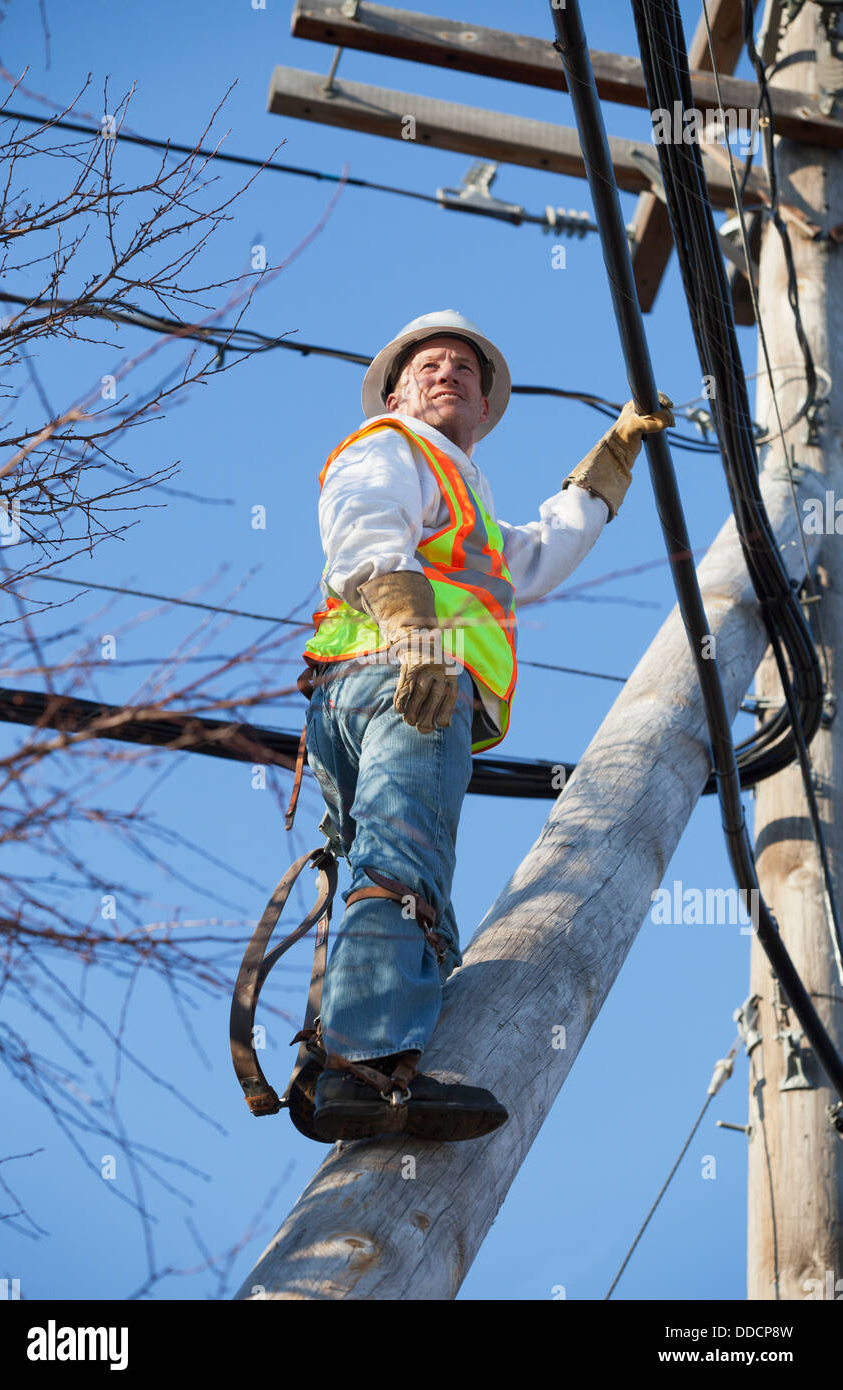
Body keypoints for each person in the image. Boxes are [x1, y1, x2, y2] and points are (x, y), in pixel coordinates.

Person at [295, 310, 674, 1143]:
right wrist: (414, 636)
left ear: (485, 404)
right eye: (428, 364)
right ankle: (368, 1062)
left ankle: (353, 1052)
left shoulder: (466, 504)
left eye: (465, 368)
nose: (448, 373)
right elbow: (360, 528)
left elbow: (539, 552)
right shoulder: (391, 448)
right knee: (403, 859)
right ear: (394, 393)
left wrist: (611, 462)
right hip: (403, 681)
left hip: (372, 689)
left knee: (384, 858)